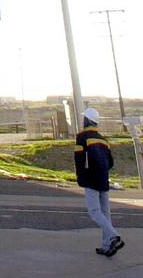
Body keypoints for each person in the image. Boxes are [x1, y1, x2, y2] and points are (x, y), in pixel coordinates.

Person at [74, 107, 124, 257]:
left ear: (86, 120)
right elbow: (110, 162)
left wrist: (81, 177)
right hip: (103, 179)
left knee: (94, 211)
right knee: (105, 213)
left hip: (90, 179)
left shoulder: (82, 137)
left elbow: (79, 159)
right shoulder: (103, 139)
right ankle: (107, 245)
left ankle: (113, 235)